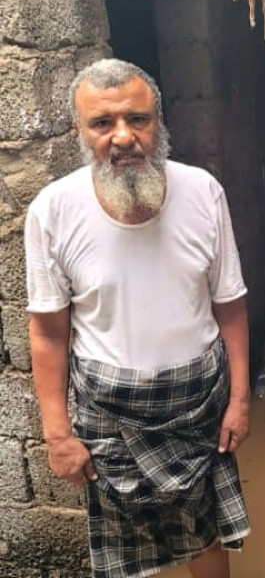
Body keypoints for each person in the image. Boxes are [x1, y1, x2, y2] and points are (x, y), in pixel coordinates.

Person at [24, 58, 251, 578]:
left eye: (138, 119)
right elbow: (48, 332)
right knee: (125, 553)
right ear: (82, 132)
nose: (123, 137)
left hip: (198, 405)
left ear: (159, 121)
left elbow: (230, 304)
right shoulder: (52, 210)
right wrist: (58, 433)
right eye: (103, 123)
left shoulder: (203, 192)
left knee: (205, 533)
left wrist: (239, 400)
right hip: (109, 415)